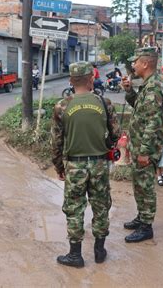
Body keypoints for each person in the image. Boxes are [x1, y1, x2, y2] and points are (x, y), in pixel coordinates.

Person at [51, 61, 120, 268]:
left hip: (75, 165)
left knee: (74, 208)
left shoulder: (62, 106)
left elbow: (56, 142)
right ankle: (99, 251)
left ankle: (75, 255)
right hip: (99, 164)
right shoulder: (104, 103)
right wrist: (106, 143)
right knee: (100, 206)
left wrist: (59, 167)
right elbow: (116, 133)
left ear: (71, 81)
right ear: (91, 78)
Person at [121, 47, 163, 243]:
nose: (134, 65)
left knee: (145, 185)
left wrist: (145, 152)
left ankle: (146, 226)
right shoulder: (148, 85)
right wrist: (129, 91)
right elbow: (141, 109)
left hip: (145, 148)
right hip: (140, 144)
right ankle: (142, 217)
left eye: (136, 61)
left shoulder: (155, 86)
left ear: (146, 63)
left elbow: (153, 122)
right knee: (139, 183)